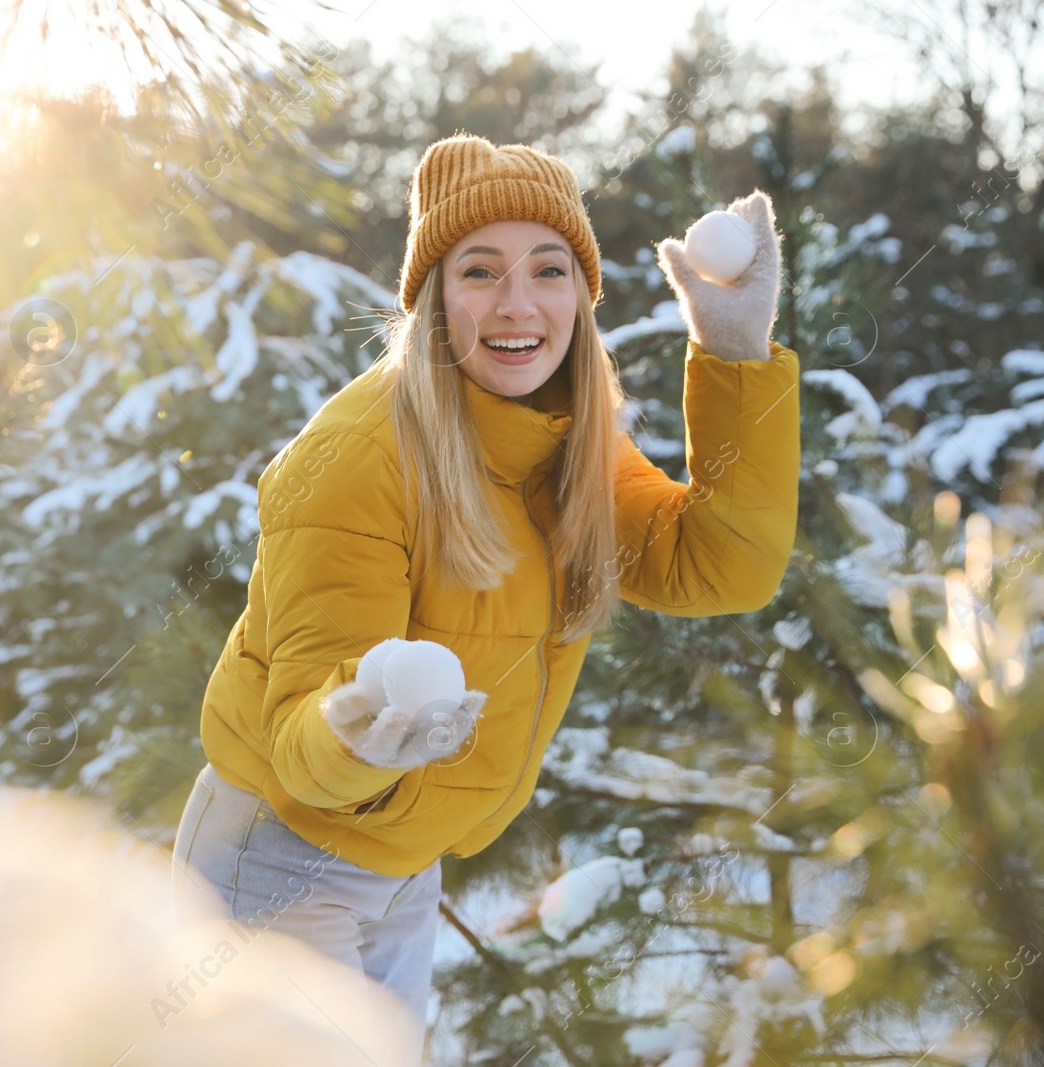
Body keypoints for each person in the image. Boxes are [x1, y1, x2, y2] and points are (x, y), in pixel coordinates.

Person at [169, 133, 799, 1063]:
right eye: (479, 271)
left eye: (550, 269)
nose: (518, 304)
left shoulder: (566, 444)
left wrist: (736, 352)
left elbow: (720, 566)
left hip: (402, 860)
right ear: (432, 302)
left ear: (581, 301)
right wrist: (358, 727)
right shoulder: (357, 460)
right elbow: (304, 742)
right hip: (280, 856)